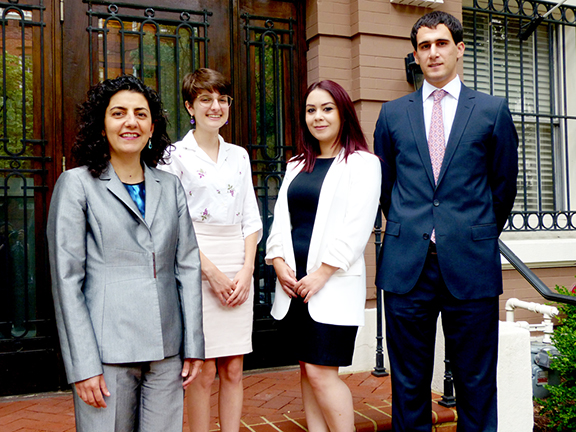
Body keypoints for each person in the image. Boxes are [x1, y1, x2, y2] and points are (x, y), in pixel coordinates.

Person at [373, 11, 519, 432]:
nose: (432, 52)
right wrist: (413, 226)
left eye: (440, 43)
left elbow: (502, 185)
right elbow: (386, 186)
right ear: (416, 54)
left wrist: (468, 229)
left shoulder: (491, 111)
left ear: (459, 48)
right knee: (408, 384)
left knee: (476, 383)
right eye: (424, 46)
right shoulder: (392, 114)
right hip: (407, 268)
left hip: (469, 264)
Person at [47, 75, 204, 432]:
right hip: (107, 352)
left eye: (141, 114)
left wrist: (193, 345)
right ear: (102, 126)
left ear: (152, 128)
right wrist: (83, 364)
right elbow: (66, 281)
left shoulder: (171, 185)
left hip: (167, 351)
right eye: (118, 113)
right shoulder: (77, 185)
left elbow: (188, 267)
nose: (130, 122)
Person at [266, 80, 381, 432]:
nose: (318, 116)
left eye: (327, 108)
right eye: (311, 110)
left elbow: (357, 227)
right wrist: (279, 263)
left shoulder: (363, 163)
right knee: (307, 367)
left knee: (321, 372)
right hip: (293, 285)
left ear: (343, 112)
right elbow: (281, 221)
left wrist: (321, 273)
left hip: (330, 286)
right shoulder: (297, 164)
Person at [158, 68, 262, 432]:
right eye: (206, 99)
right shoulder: (173, 157)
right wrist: (211, 272)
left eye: (222, 99)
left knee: (233, 367)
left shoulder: (239, 156)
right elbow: (170, 225)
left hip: (238, 261)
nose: (215, 106)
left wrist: (247, 269)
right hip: (194, 264)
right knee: (200, 370)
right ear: (190, 105)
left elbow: (251, 216)